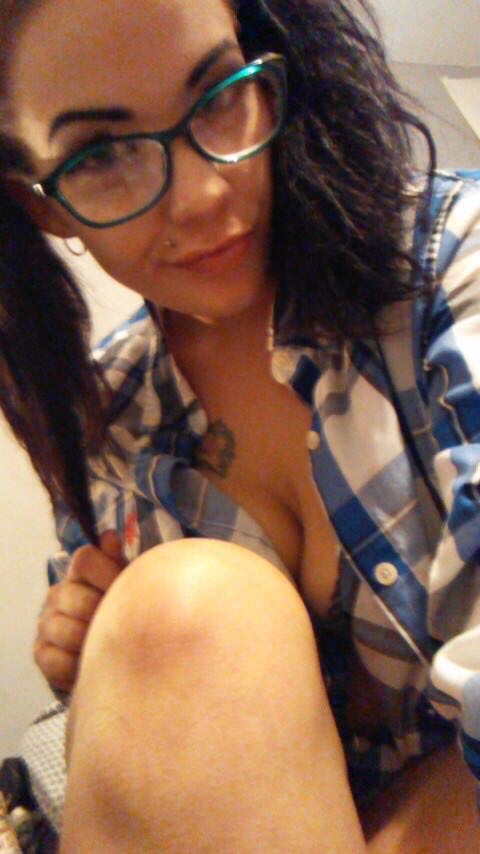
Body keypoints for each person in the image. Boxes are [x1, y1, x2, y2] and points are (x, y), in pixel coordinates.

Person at [1, 0, 480, 849]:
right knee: (180, 612)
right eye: (102, 154)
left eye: (220, 94)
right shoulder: (110, 430)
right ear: (41, 205)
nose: (204, 193)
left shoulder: (453, 268)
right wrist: (93, 658)